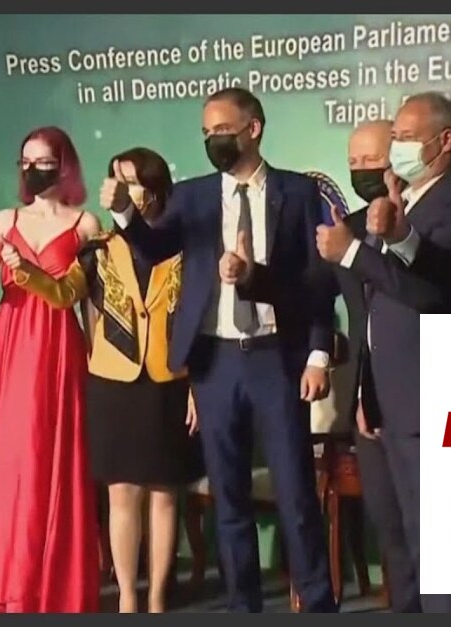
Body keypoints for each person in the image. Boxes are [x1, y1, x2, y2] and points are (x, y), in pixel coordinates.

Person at [107, 87, 337, 613]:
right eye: (207, 132)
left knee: (296, 496)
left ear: (253, 129)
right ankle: (243, 607)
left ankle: (319, 605)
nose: (214, 140)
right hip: (215, 363)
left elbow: (318, 281)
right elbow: (154, 247)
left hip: (277, 358)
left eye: (223, 130)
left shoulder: (298, 192)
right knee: (228, 499)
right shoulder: (193, 196)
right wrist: (125, 214)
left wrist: (318, 354)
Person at [2, 147, 206, 612]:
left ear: (154, 189)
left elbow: (200, 323)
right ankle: (128, 597)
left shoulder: (182, 249)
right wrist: (26, 272)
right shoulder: (98, 249)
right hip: (113, 385)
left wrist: (197, 386)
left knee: (164, 497)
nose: (119, 188)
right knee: (121, 496)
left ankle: (158, 597)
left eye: (130, 180)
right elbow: (63, 293)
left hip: (169, 382)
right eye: (114, 178)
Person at [316, 95, 451, 613]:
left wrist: (354, 250)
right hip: (380, 405)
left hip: (430, 401)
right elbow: (371, 313)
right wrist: (363, 393)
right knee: (398, 544)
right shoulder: (390, 205)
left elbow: (430, 293)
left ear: (444, 141)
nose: (396, 149)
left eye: (405, 139)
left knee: (440, 550)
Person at [0, 126, 102, 613]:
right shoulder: (3, 219)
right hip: (13, 344)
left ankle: (52, 585)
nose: (33, 169)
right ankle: (8, 582)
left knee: (53, 457)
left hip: (60, 346)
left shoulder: (86, 224)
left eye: (43, 161)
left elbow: (89, 303)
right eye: (25, 161)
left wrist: (99, 362)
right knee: (14, 459)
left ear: (64, 165)